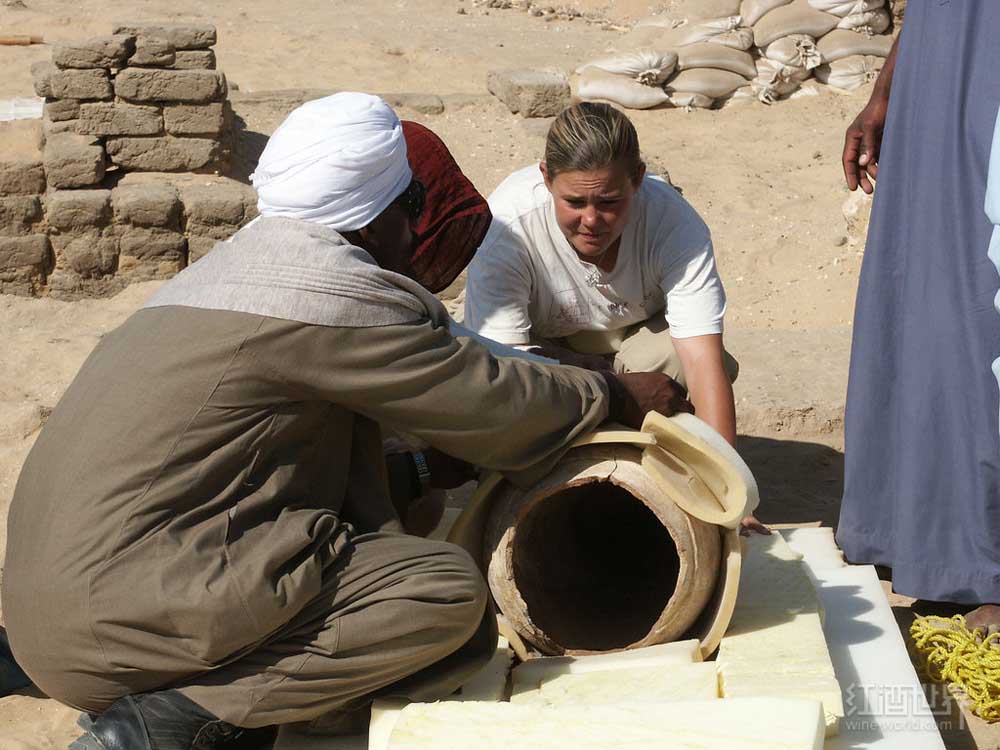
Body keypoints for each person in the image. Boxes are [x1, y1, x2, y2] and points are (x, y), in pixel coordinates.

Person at [1, 93, 693, 750]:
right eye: (412, 207)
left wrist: (419, 470)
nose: (416, 231)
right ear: (375, 218)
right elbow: (498, 403)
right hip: (112, 628)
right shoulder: (331, 295)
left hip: (44, 619)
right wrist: (613, 394)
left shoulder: (224, 278)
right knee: (442, 597)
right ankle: (169, 722)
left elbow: (257, 477)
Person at [464, 102, 767, 533]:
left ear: (638, 180)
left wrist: (732, 498)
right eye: (574, 202)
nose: (591, 220)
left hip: (636, 347)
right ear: (546, 178)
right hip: (543, 357)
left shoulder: (672, 222)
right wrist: (610, 387)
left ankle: (672, 482)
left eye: (609, 201)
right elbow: (506, 369)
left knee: (677, 359)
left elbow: (701, 363)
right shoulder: (507, 228)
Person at [838, 4, 1000, 629]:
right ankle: (926, 539)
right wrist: (887, 91)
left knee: (983, 295)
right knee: (928, 294)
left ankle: (985, 558)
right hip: (937, 75)